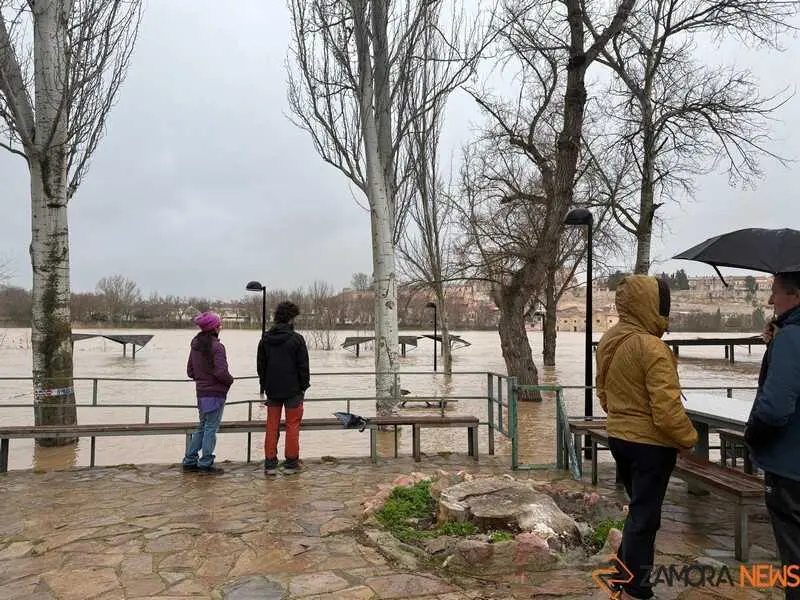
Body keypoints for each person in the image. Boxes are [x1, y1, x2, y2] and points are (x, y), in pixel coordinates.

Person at [596, 275, 698, 600]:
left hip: (619, 437)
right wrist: (688, 438)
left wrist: (623, 417)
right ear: (654, 306)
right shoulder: (652, 347)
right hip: (650, 446)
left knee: (639, 512)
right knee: (645, 518)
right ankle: (636, 589)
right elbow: (666, 410)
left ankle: (621, 578)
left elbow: (603, 392)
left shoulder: (610, 339)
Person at [745, 272, 800, 600]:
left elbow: (776, 408)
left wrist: (752, 435)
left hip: (790, 469)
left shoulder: (791, 339)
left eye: (775, 292)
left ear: (795, 296)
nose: (770, 301)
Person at [257, 301, 310, 475]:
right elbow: (303, 367)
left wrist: (264, 385)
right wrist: (303, 387)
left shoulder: (265, 339)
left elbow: (261, 366)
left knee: (271, 425)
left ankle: (270, 462)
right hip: (293, 390)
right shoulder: (297, 339)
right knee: (292, 425)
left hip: (272, 389)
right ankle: (291, 463)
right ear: (291, 318)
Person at [182, 311, 234, 475]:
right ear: (215, 328)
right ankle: (205, 463)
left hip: (201, 393)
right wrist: (230, 381)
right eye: (219, 325)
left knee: (202, 426)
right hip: (216, 394)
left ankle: (190, 460)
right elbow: (221, 372)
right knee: (211, 428)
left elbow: (190, 371)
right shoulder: (218, 347)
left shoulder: (195, 346)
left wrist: (202, 379)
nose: (221, 327)